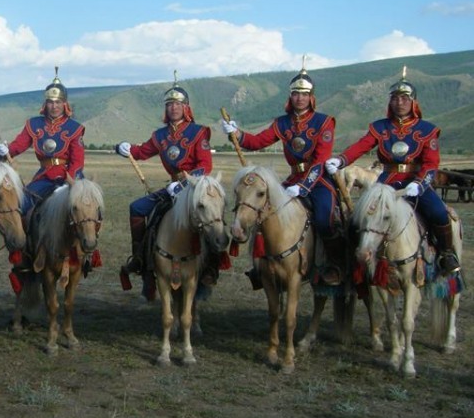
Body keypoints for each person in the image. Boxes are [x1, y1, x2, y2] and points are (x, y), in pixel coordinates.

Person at [325, 67, 459, 275]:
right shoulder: (380, 127)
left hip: (416, 181)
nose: (400, 102)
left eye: (405, 98)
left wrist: (420, 183)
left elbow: (431, 163)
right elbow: (361, 146)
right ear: (390, 102)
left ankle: (446, 254)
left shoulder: (427, 130)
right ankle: (352, 262)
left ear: (413, 102)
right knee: (357, 219)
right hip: (387, 180)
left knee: (438, 213)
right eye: (395, 98)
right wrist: (340, 160)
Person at [221, 62, 343, 284]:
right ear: (290, 96)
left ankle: (333, 264)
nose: (300, 98)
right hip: (293, 178)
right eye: (296, 93)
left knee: (325, 219)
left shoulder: (324, 122)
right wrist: (237, 134)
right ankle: (262, 266)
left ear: (311, 97)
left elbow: (321, 160)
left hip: (319, 180)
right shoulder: (283, 122)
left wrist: (304, 187)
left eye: (304, 94)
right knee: (263, 213)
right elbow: (257, 142)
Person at [115, 77, 213, 279]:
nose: (174, 108)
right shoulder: (160, 135)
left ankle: (211, 266)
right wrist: (124, 148)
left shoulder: (199, 132)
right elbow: (142, 151)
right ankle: (139, 258)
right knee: (137, 208)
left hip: (196, 187)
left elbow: (205, 166)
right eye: (170, 104)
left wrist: (184, 183)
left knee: (211, 217)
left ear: (186, 108)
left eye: (178, 104)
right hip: (172, 187)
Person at [0, 68, 85, 216]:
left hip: (70, 177)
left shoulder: (75, 128)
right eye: (50, 102)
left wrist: (68, 183)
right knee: (23, 204)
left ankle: (87, 238)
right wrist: (6, 150)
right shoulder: (34, 124)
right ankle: (25, 239)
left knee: (85, 209)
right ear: (45, 103)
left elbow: (78, 161)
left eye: (58, 102)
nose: (54, 106)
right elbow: (19, 145)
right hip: (44, 176)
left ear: (65, 104)